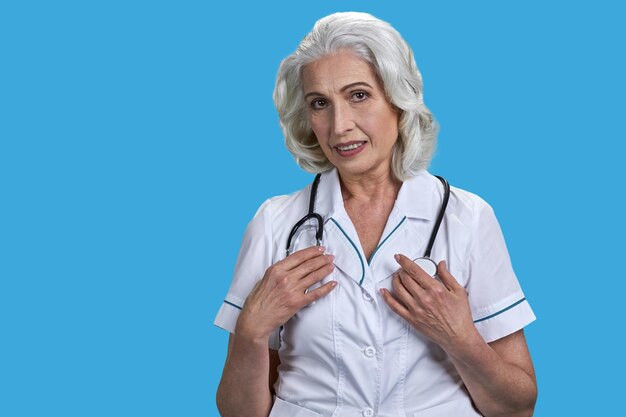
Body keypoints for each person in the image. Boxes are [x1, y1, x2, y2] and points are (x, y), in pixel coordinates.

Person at [214, 11, 537, 417]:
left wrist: (460, 338)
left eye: (359, 95)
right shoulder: (275, 223)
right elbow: (238, 413)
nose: (339, 125)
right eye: (320, 104)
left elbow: (517, 407)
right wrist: (250, 331)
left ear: (399, 102)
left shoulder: (467, 218)